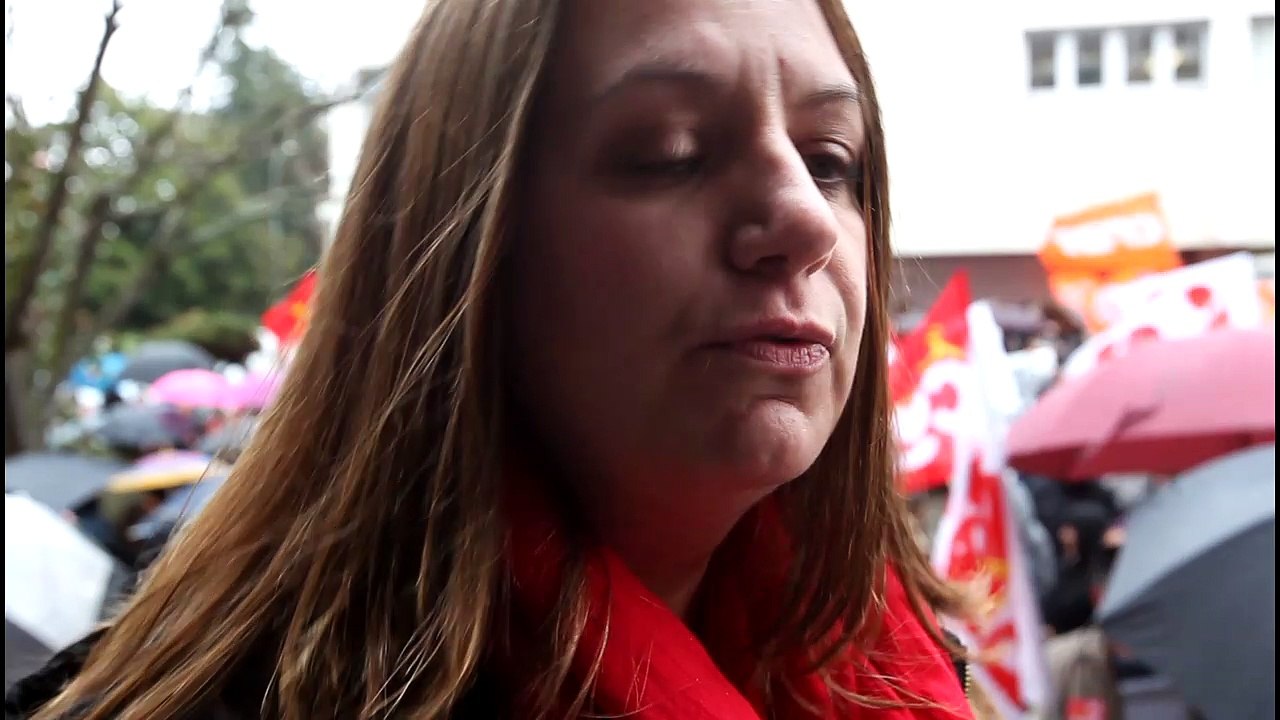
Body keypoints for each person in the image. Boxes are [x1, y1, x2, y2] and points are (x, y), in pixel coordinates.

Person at [10, 1, 983, 718]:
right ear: (470, 244)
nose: (805, 220)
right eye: (669, 150)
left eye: (829, 160)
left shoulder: (916, 671)